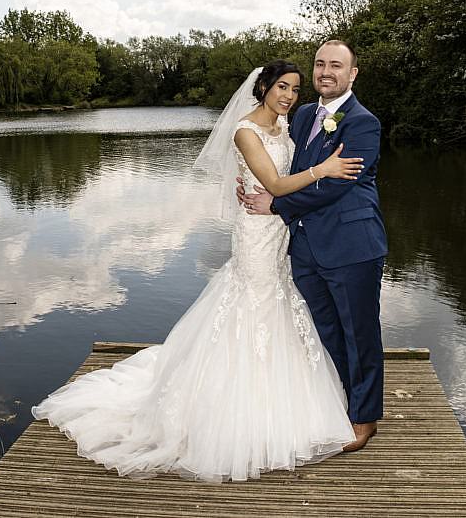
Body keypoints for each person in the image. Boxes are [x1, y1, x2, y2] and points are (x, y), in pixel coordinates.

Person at [32, 60, 365, 481]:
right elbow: (278, 184)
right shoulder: (245, 130)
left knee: (278, 302)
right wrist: (326, 169)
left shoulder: (288, 127)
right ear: (263, 87)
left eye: (295, 90)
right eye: (282, 87)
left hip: (280, 228)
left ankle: (275, 397)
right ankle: (240, 410)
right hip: (256, 232)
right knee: (256, 302)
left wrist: (254, 183)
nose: (288, 96)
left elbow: (277, 177)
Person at [238, 40, 388, 453]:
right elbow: (281, 165)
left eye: (336, 65)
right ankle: (339, 400)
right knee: (324, 332)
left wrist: (277, 204)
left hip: (351, 245)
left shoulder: (363, 123)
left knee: (359, 333)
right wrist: (251, 184)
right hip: (302, 247)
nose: (326, 71)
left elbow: (338, 184)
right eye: (320, 64)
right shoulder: (302, 115)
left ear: (352, 73)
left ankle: (365, 418)